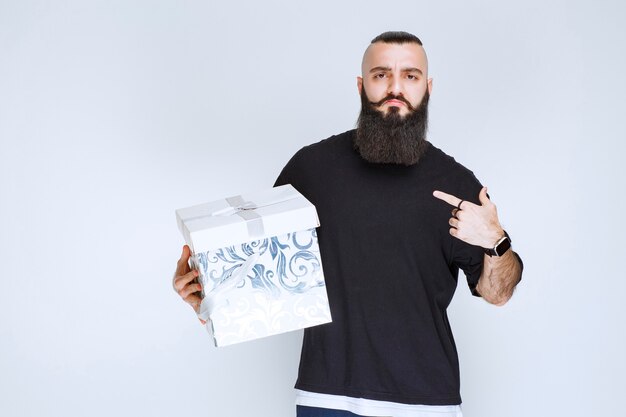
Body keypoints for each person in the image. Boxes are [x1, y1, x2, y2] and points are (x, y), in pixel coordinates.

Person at [173, 31, 523, 417]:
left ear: (428, 87)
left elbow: (498, 293)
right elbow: (263, 277)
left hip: (427, 404)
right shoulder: (311, 169)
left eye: (410, 76)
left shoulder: (455, 185)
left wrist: (496, 241)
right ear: (361, 86)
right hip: (327, 400)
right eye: (380, 75)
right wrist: (206, 297)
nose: (395, 88)